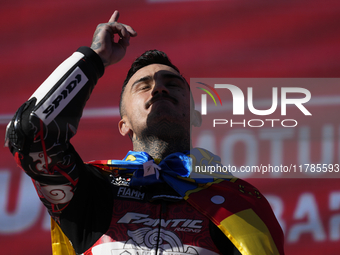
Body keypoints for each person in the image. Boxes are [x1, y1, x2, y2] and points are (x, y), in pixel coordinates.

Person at [5, 11, 284, 255]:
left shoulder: (241, 201)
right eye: (143, 85)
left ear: (196, 116)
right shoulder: (91, 190)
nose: (159, 89)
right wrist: (93, 59)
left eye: (172, 84)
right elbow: (30, 133)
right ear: (123, 123)